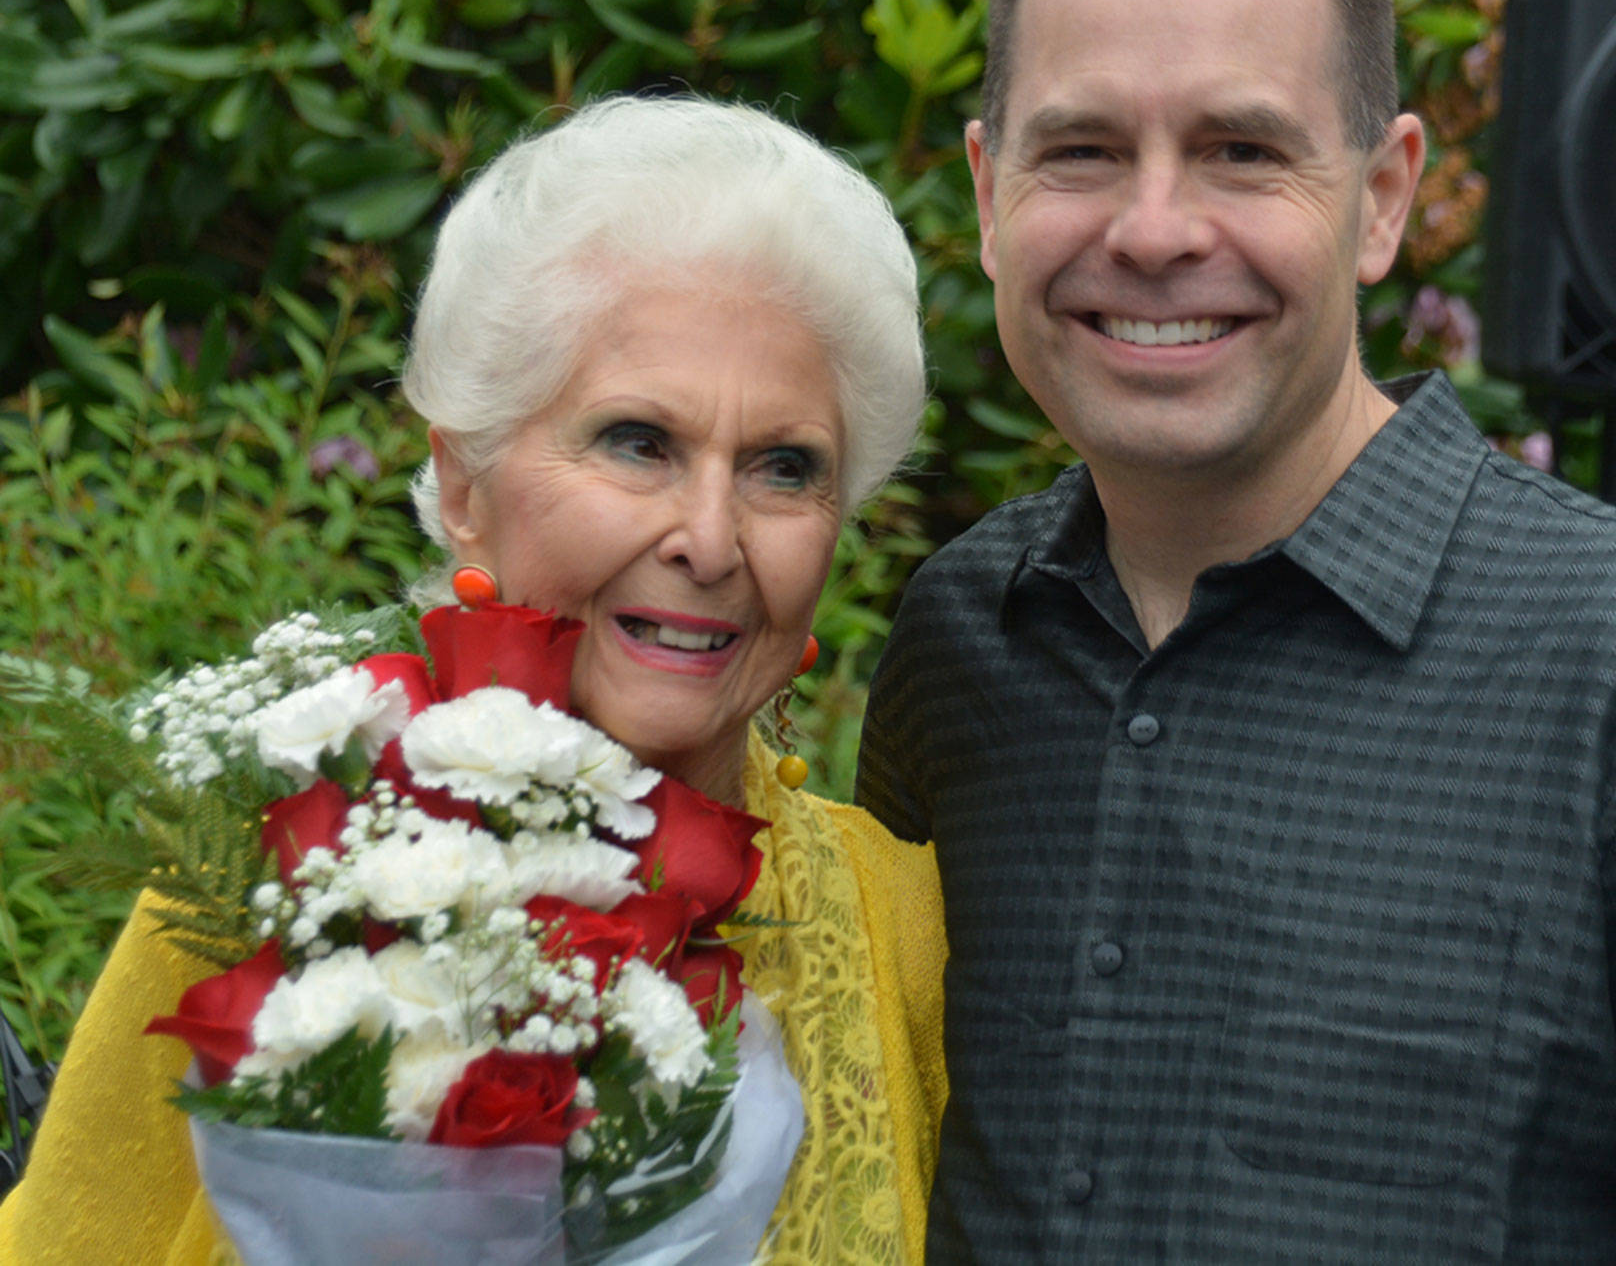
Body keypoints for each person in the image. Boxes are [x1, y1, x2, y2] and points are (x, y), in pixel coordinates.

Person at [855, 0, 1616, 1262]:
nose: (1152, 231)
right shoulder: (961, 649)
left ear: (1381, 197)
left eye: (1241, 150)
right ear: (986, 193)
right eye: (1081, 150)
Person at [0, 97, 948, 1265]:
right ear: (461, 487)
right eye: (636, 441)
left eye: (783, 468)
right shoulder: (268, 866)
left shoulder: (910, 930)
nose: (710, 537)